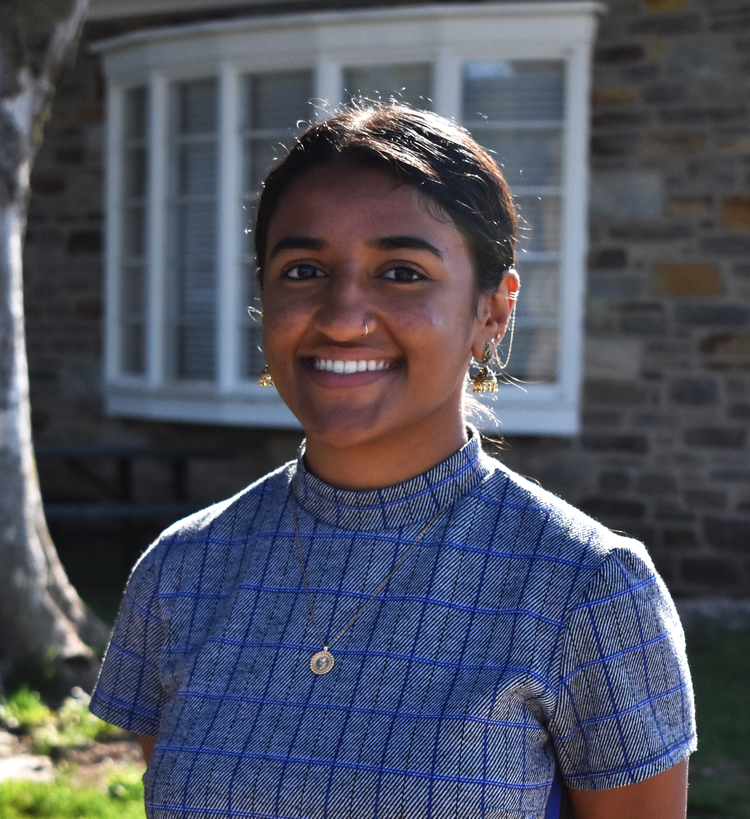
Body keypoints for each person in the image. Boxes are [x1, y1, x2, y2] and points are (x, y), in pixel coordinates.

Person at [90, 104, 696, 819]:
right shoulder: (181, 572)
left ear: (493, 311)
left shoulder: (588, 590)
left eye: (402, 272)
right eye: (304, 270)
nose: (343, 317)